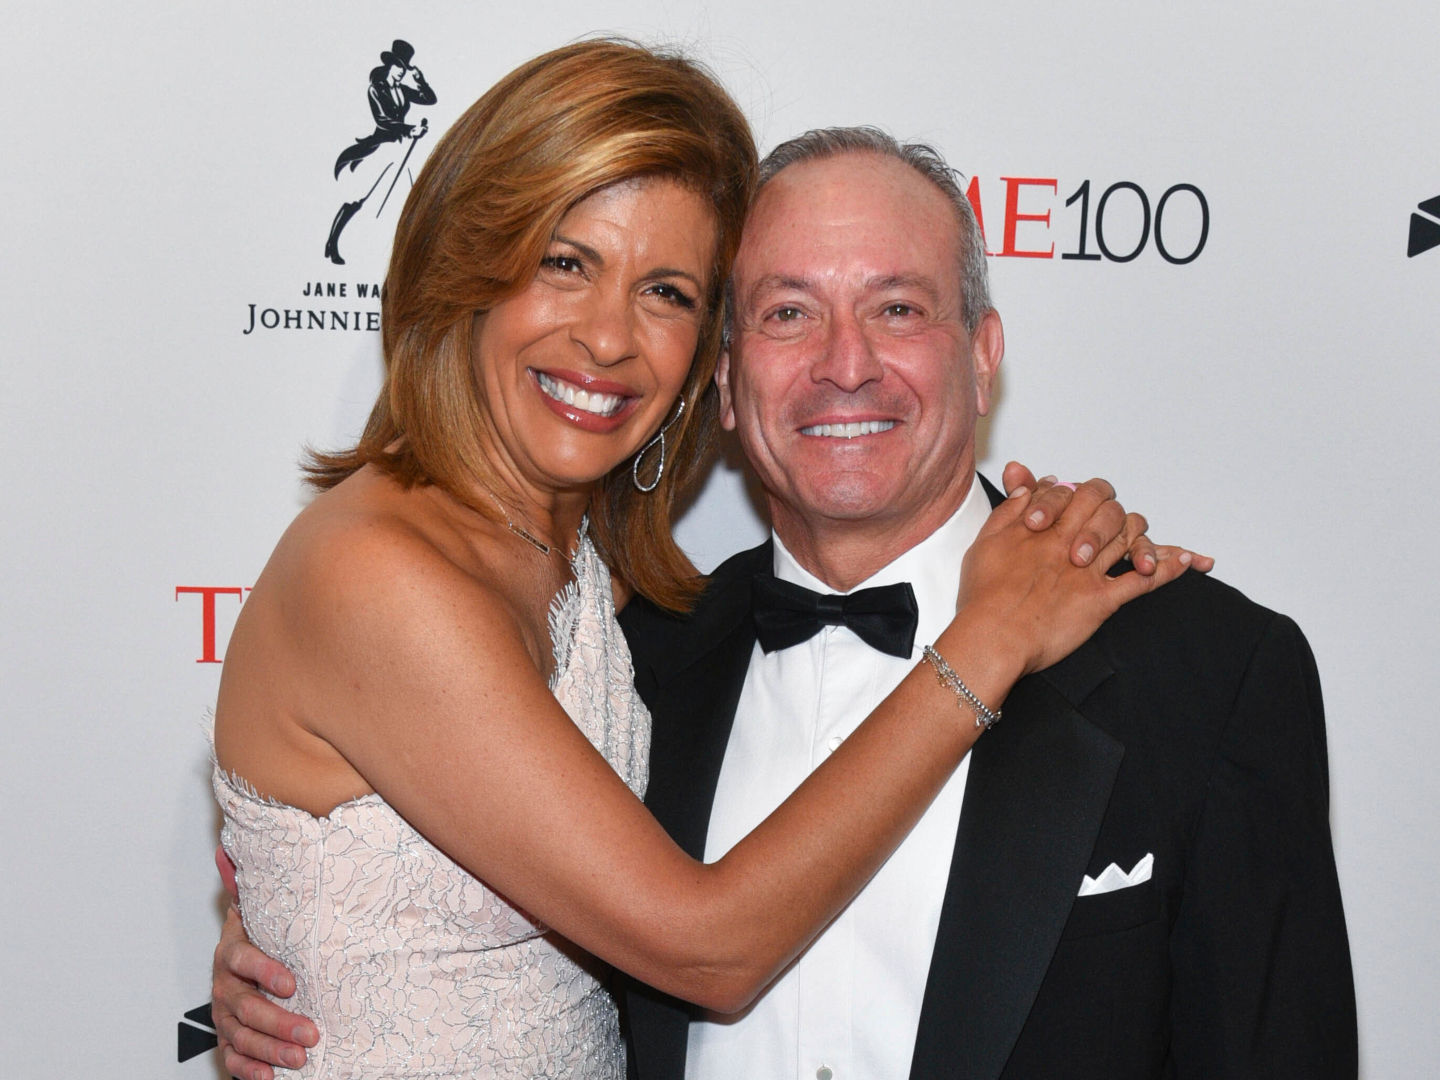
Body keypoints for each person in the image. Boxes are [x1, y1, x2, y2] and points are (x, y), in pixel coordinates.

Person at [216, 122, 1355, 1080]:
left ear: (983, 356)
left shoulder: (1207, 672)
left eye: (898, 309)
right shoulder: (641, 662)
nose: (845, 365)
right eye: (787, 313)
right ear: (721, 377)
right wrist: (305, 942)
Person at [325, 39, 437, 265]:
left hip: (401, 149)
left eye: (404, 68)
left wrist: (419, 78)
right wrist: (409, 129)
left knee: (412, 199)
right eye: (398, 66)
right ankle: (332, 243)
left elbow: (429, 99)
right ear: (389, 65)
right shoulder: (376, 89)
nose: (401, 72)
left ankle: (410, 259)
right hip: (382, 148)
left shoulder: (403, 90)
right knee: (358, 197)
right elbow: (383, 121)